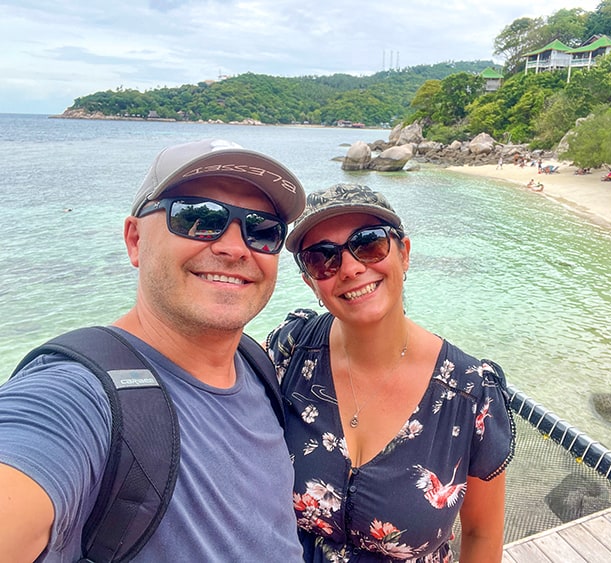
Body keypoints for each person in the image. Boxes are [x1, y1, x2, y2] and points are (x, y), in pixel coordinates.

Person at [0, 139, 306, 561]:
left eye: (262, 230)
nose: (235, 248)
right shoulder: (80, 395)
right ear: (134, 239)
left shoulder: (257, 367)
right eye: (198, 218)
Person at [266, 183, 516, 562]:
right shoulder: (290, 352)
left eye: (368, 243)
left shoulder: (469, 395)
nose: (350, 268)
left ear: (404, 254)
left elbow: (481, 533)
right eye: (322, 257)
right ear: (310, 282)